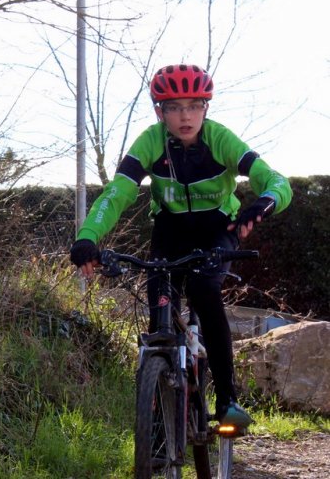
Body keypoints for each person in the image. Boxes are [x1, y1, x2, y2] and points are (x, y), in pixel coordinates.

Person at [69, 63, 292, 428]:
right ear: (160, 112)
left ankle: (226, 400)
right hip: (170, 230)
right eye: (173, 107)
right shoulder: (151, 143)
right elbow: (117, 193)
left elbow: (275, 180)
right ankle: (158, 423)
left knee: (205, 291)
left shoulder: (220, 140)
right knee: (159, 302)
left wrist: (263, 203)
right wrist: (88, 237)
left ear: (206, 107)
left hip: (219, 227)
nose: (185, 115)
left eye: (193, 105)